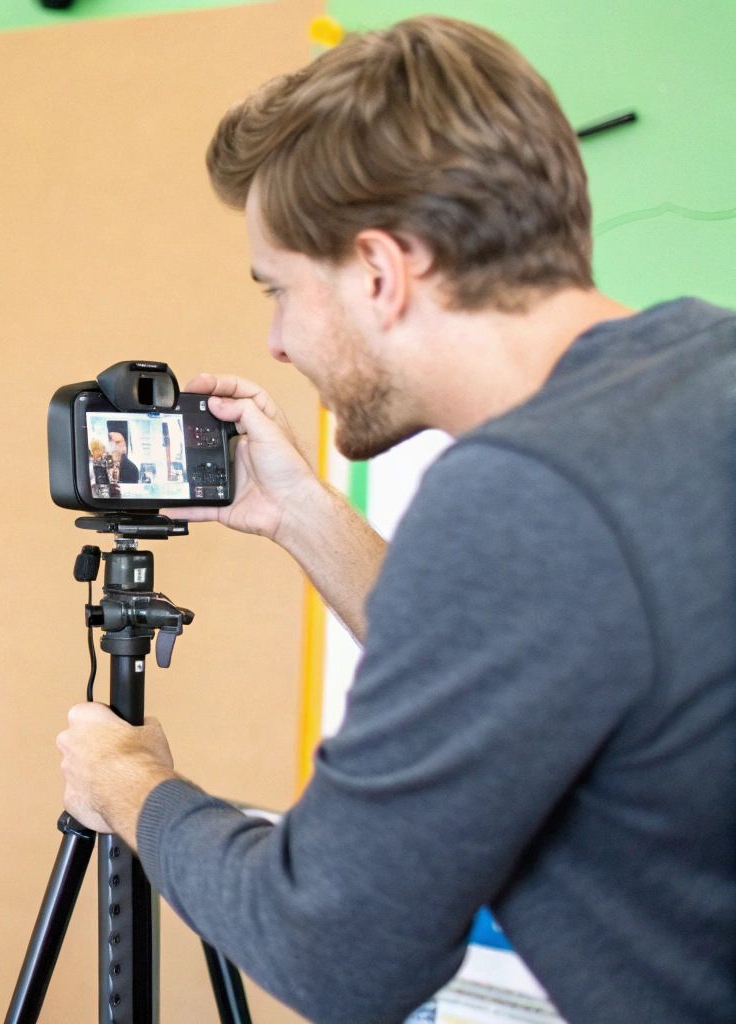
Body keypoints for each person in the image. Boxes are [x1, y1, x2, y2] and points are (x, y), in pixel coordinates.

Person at [55, 17, 734, 1024]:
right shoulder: (699, 366)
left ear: (379, 272)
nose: (277, 343)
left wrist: (129, 785)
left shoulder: (522, 491)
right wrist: (299, 513)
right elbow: (526, 658)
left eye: (278, 290)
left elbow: (330, 945)